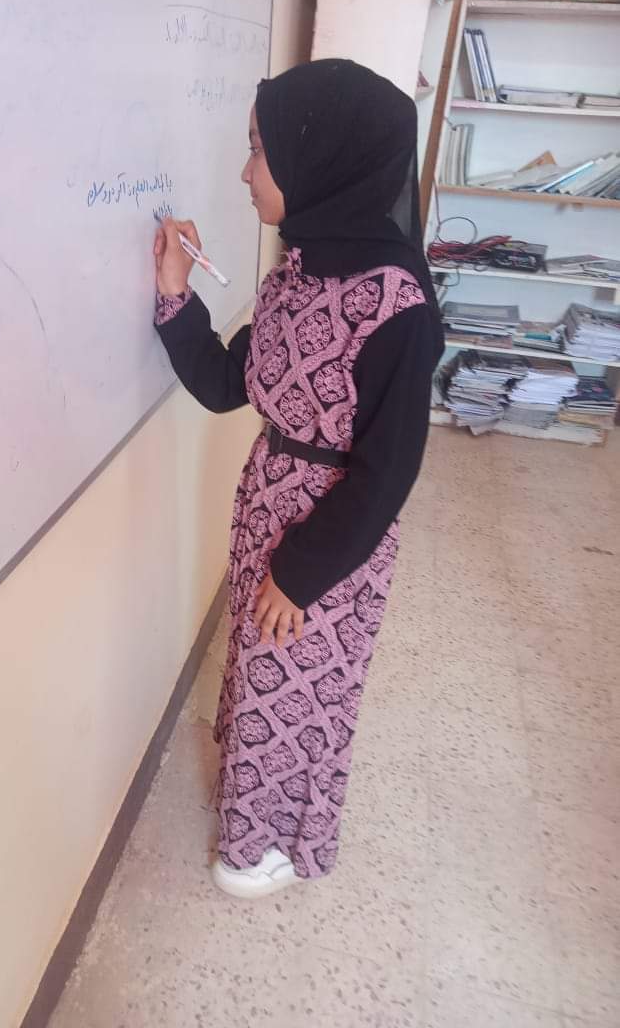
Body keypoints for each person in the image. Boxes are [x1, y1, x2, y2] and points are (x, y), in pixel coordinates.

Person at [152, 59, 444, 899]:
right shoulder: (296, 273)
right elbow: (227, 385)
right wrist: (175, 295)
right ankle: (253, 813)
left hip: (330, 543)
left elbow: (387, 473)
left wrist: (302, 570)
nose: (245, 173)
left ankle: (273, 843)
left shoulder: (398, 307)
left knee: (299, 694)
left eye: (259, 150)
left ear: (322, 158)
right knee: (261, 675)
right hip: (265, 512)